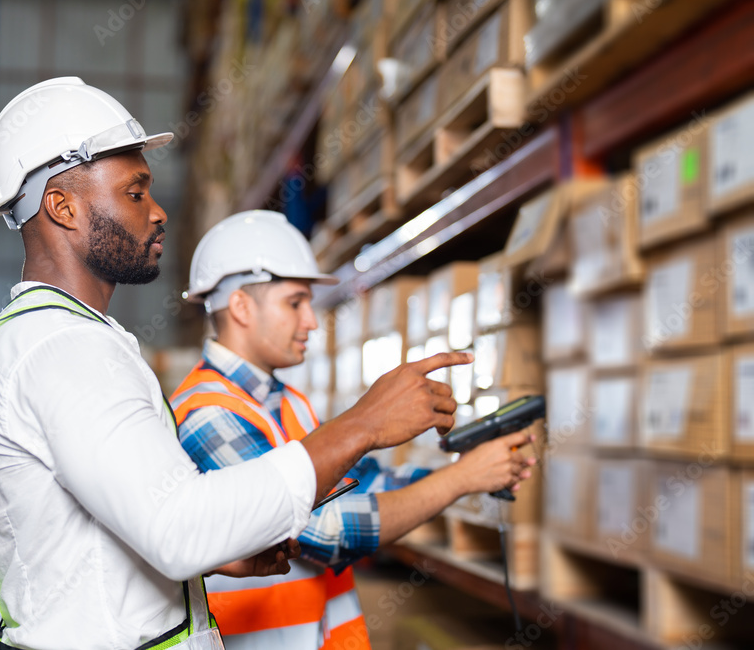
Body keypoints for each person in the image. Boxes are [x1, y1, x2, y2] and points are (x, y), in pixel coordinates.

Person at [0, 77, 476, 650]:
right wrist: (364, 425)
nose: (157, 213)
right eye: (135, 193)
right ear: (62, 207)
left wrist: (213, 558)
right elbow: (177, 526)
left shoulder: (60, 340)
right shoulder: (63, 349)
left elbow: (96, 546)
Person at [170, 210, 536, 649]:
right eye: (295, 303)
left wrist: (466, 468)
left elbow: (356, 485)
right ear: (242, 307)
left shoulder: (286, 402)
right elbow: (328, 533)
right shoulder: (207, 412)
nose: (310, 321)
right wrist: (462, 479)